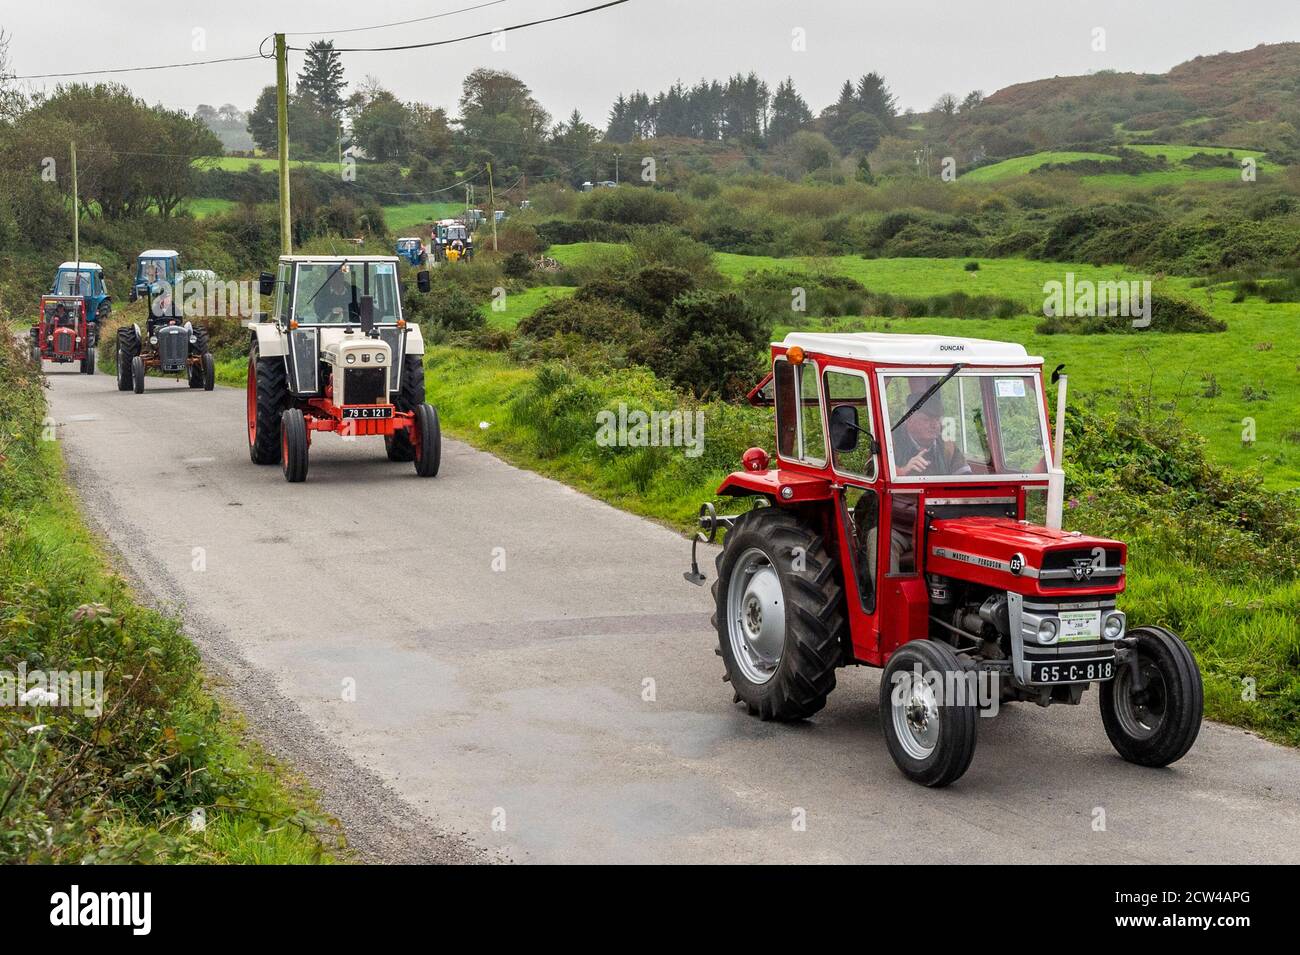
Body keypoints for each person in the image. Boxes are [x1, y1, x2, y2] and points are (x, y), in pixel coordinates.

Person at [892, 390, 970, 477]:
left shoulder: (947, 446)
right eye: (926, 420)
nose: (934, 425)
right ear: (909, 420)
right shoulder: (890, 443)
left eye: (937, 419)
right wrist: (903, 471)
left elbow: (966, 476)